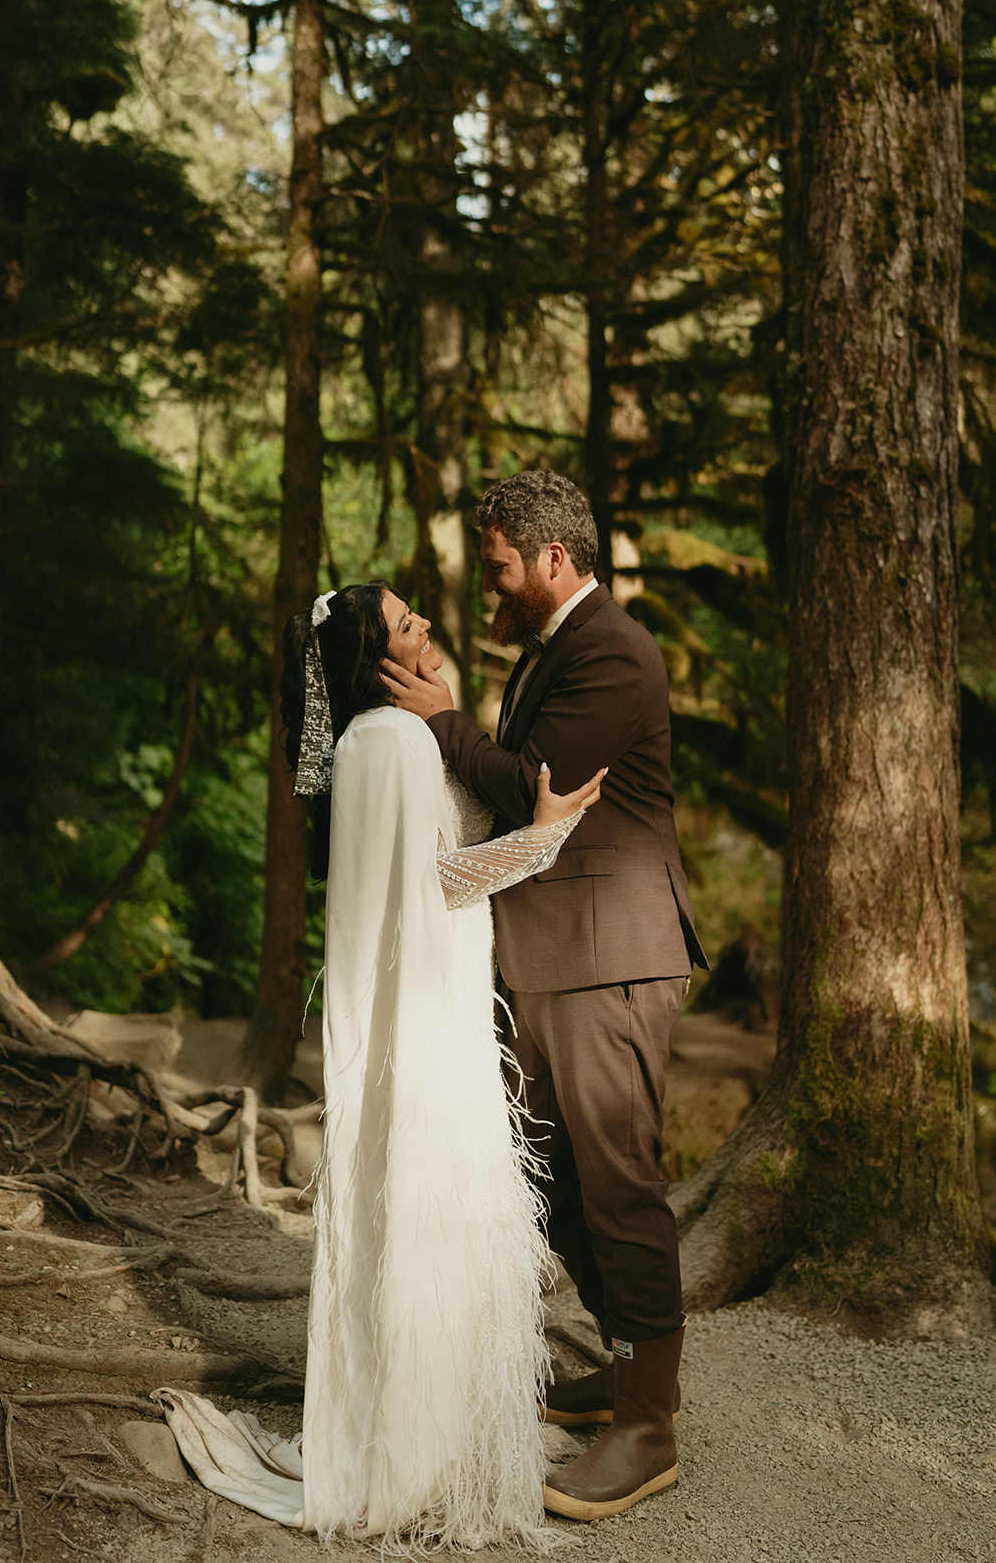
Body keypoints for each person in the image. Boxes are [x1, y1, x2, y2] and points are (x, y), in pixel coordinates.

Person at [156, 580, 604, 1550]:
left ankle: (415, 1438)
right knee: (433, 1210)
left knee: (412, 1214)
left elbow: (431, 855)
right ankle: (417, 1456)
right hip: (433, 1008)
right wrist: (545, 839)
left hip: (421, 1004)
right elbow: (441, 880)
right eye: (409, 624)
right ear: (376, 660)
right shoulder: (394, 744)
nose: (430, 626)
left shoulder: (373, 744)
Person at [382, 471, 708, 1525]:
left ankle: (649, 1426)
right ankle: (620, 1365)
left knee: (614, 1178)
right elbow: (524, 803)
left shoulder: (611, 649)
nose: (488, 588)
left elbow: (533, 792)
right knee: (551, 1171)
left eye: (499, 568)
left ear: (554, 558)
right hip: (545, 953)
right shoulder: (551, 651)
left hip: (609, 955)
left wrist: (441, 717)